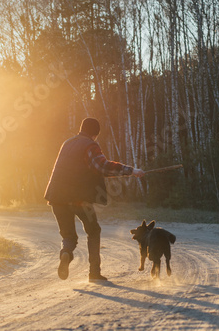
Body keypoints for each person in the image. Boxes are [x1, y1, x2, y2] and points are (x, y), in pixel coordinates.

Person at [44, 117, 144, 282]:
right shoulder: (90, 145)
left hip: (57, 198)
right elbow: (101, 166)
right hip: (78, 199)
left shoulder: (67, 143)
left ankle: (66, 253)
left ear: (81, 128)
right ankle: (94, 273)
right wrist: (131, 171)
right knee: (93, 231)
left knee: (68, 236)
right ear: (96, 134)